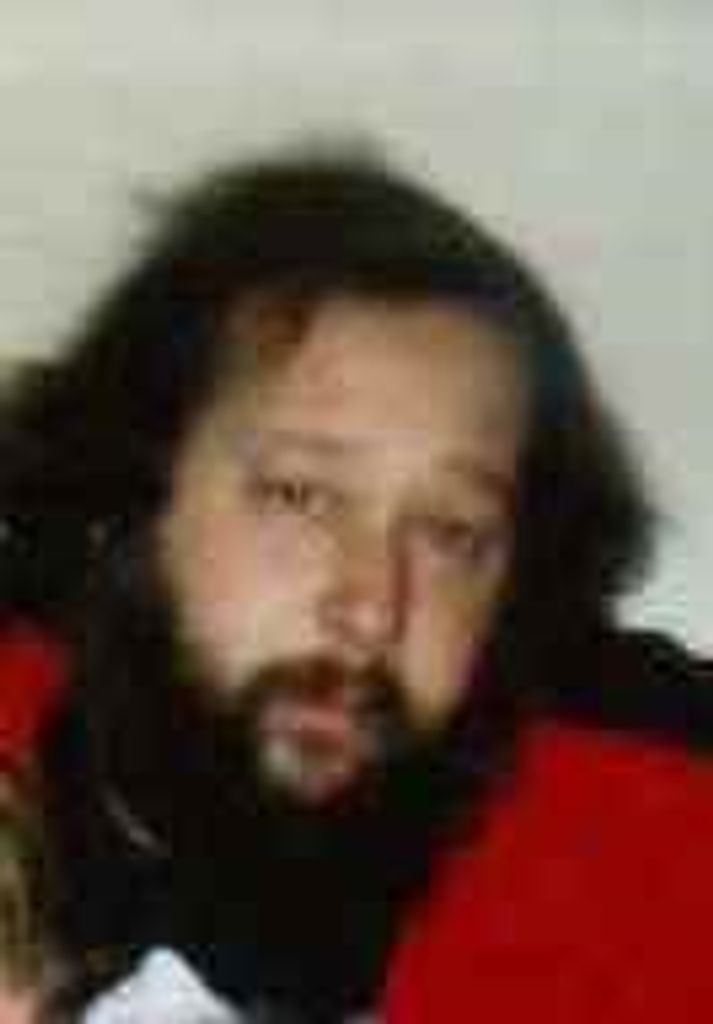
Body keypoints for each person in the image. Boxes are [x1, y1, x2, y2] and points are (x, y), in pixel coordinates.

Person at [0, 143, 711, 1022]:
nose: (372, 606)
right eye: (300, 496)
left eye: (450, 532)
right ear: (128, 502)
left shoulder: (653, 854)